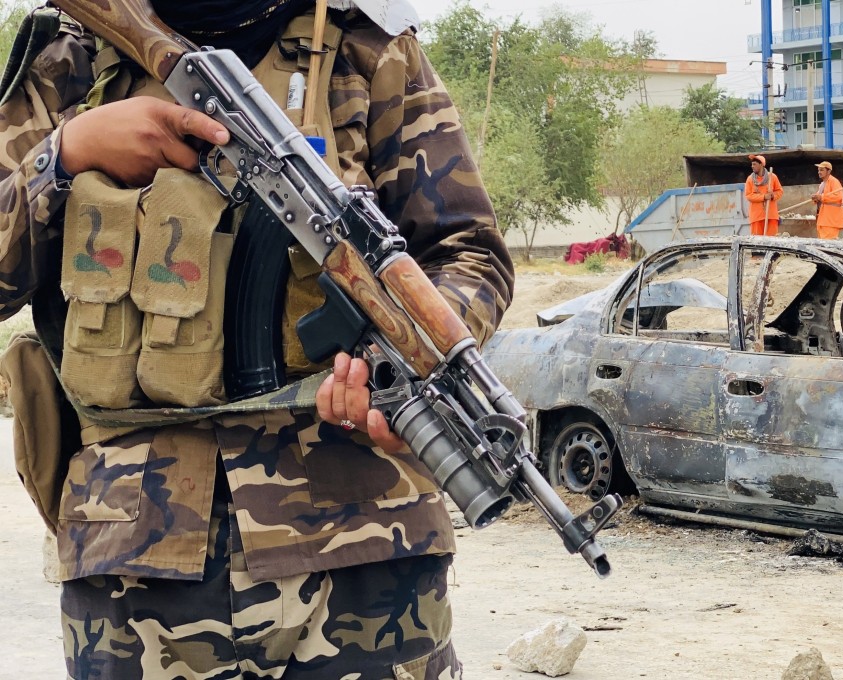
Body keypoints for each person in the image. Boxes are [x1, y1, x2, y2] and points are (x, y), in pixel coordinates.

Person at [0, 0, 513, 678]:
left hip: (365, 552)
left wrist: (407, 362)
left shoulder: (368, 47)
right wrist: (66, 156)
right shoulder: (71, 56)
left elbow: (467, 251)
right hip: (134, 560)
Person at [744, 154, 783, 236]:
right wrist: (764, 197)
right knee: (757, 241)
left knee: (772, 241)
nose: (752, 166)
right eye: (752, 164)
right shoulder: (750, 179)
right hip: (757, 217)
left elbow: (780, 191)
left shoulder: (772, 177)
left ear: (761, 164)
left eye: (754, 164)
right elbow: (748, 196)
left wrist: (772, 195)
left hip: (771, 215)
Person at [811, 160, 843, 239]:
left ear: (829, 171)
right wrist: (815, 198)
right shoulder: (822, 184)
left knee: (828, 243)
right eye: (818, 170)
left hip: (831, 220)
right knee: (823, 242)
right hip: (823, 220)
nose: (819, 172)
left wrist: (821, 197)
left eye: (822, 170)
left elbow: (838, 197)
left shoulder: (834, 182)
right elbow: (820, 197)